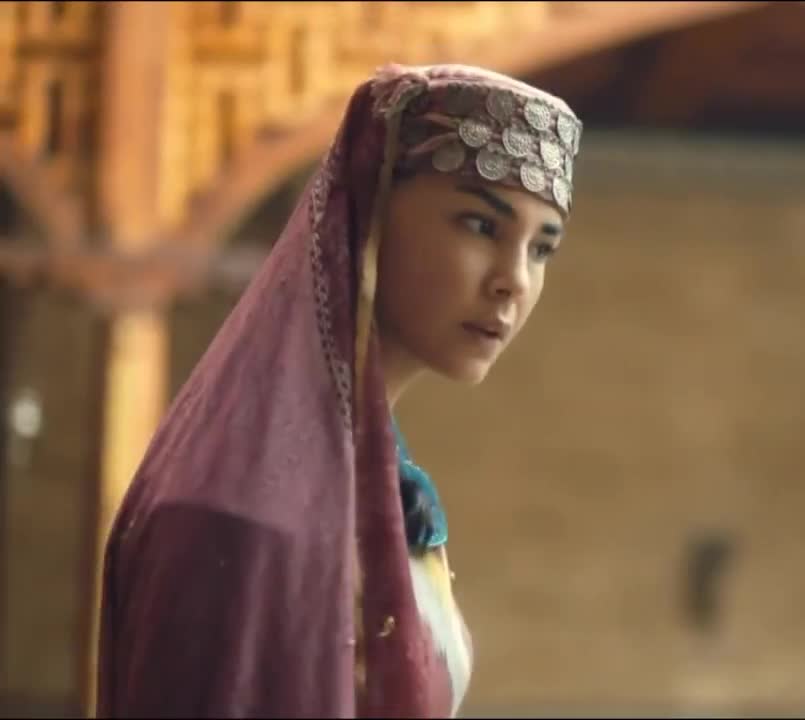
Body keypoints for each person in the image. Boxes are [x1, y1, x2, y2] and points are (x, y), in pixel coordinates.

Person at [94, 63, 583, 719]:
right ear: (369, 216)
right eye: (479, 226)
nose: (514, 281)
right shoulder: (239, 518)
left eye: (541, 250)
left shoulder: (383, 490)